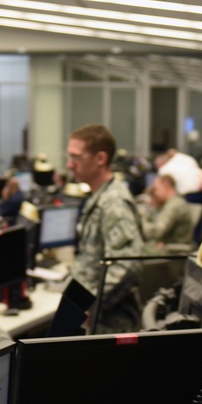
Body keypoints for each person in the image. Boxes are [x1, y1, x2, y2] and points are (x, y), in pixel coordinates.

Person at [66, 124, 144, 333]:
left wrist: (94, 303)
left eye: (76, 157)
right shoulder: (100, 196)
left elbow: (128, 264)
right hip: (97, 319)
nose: (69, 165)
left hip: (111, 324)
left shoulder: (113, 202)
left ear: (100, 158)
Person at [142, 174, 194, 248]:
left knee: (139, 250)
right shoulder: (170, 203)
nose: (155, 193)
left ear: (166, 187)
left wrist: (140, 223)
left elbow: (157, 232)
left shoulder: (174, 205)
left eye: (157, 189)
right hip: (168, 246)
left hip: (175, 251)